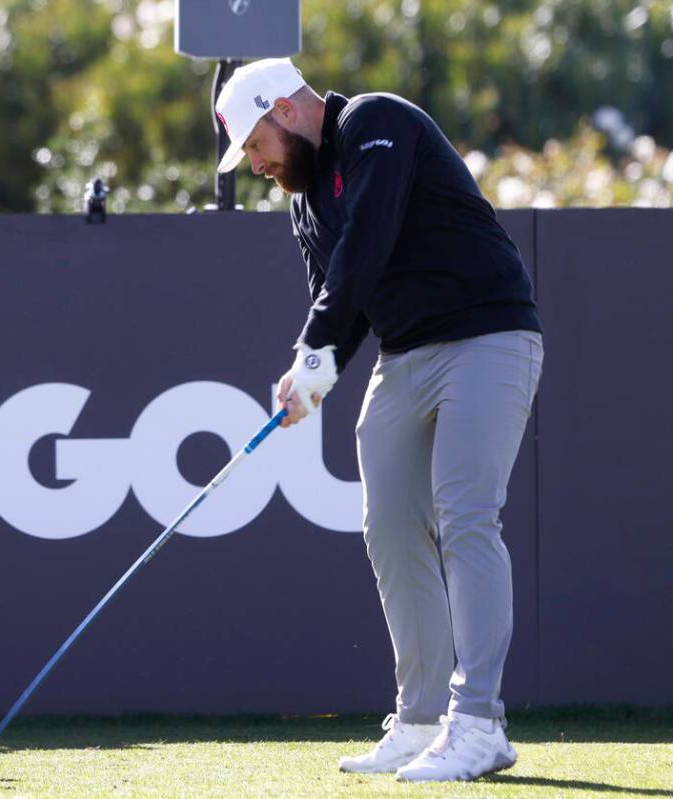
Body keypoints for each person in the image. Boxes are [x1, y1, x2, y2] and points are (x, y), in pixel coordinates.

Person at [214, 58, 543, 782]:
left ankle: (480, 721)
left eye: (257, 147)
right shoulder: (303, 200)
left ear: (285, 111)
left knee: (464, 516)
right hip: (407, 355)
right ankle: (422, 718)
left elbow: (367, 246)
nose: (260, 166)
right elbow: (344, 300)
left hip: (486, 335)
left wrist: (313, 356)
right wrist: (317, 376)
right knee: (390, 523)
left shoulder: (376, 124)